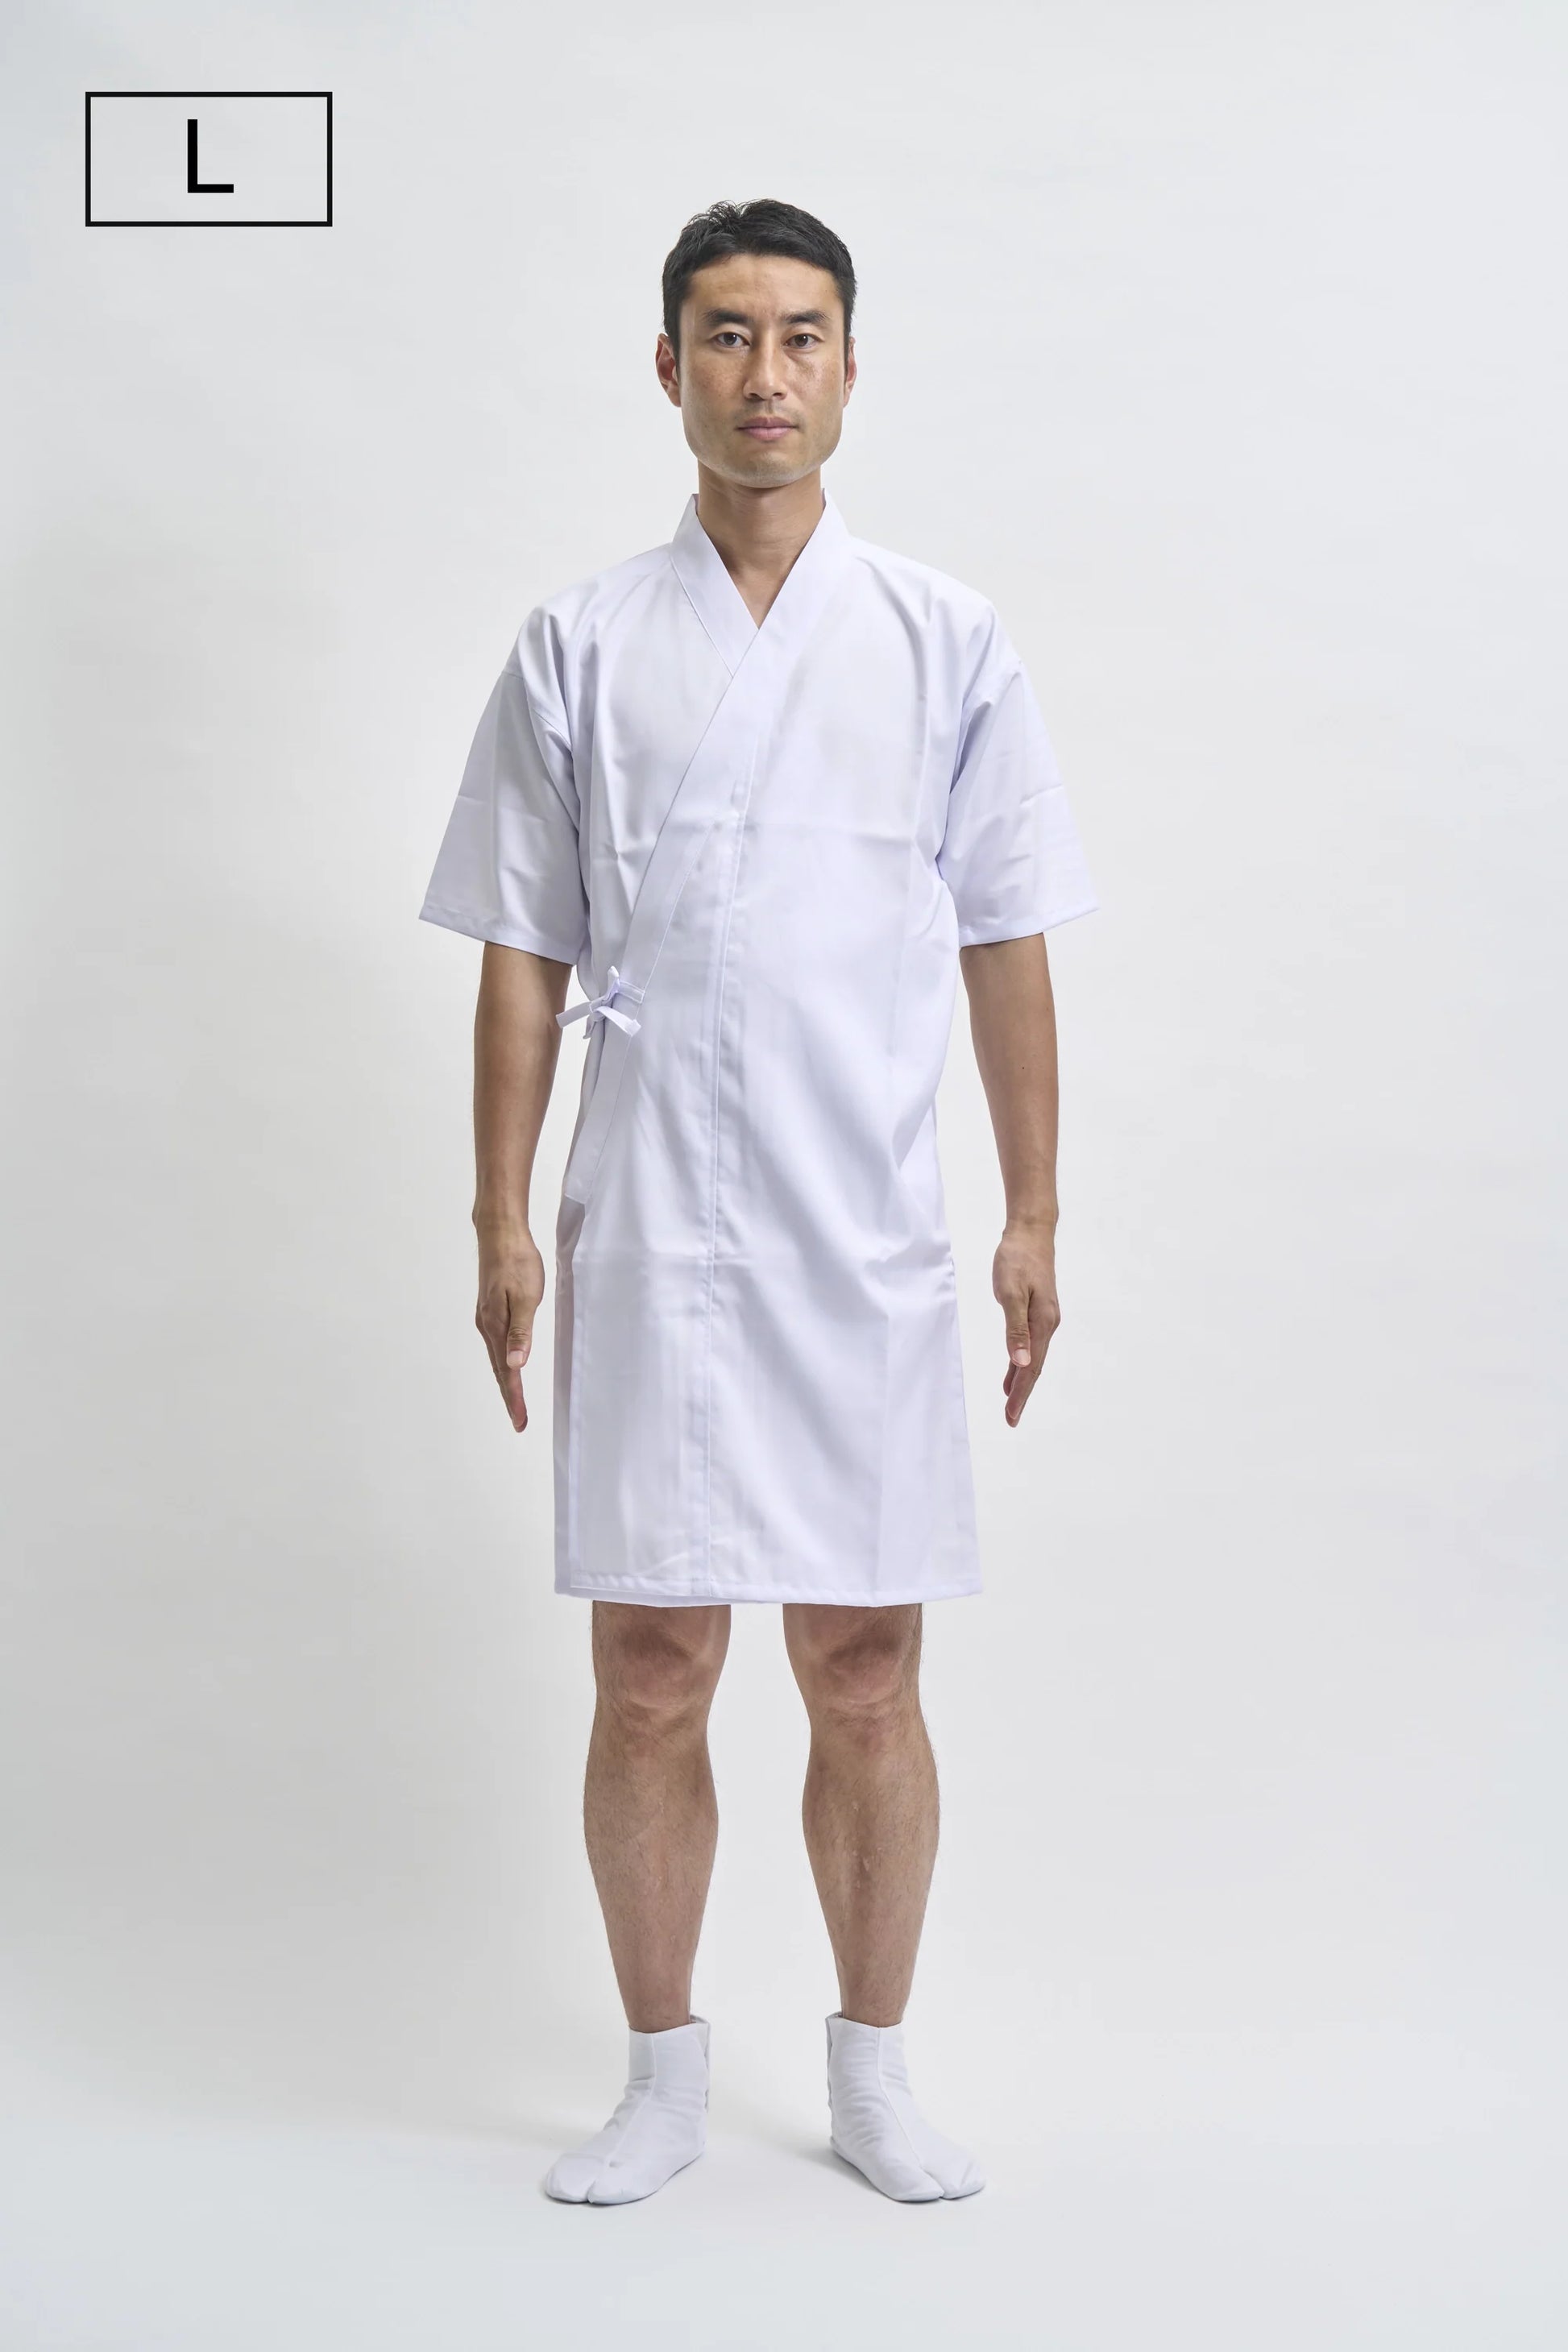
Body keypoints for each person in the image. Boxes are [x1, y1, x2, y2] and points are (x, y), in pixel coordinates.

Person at [418, 197, 1097, 2205]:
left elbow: (1007, 934)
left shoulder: (941, 636)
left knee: (865, 1658)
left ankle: (872, 2067)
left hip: (860, 1209)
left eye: (802, 336)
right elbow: (523, 947)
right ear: (669, 367)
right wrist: (499, 1216)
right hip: (648, 1209)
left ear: (850, 369)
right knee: (651, 1658)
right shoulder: (580, 641)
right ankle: (658, 2071)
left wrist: (1034, 1209)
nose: (765, 375)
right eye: (726, 335)